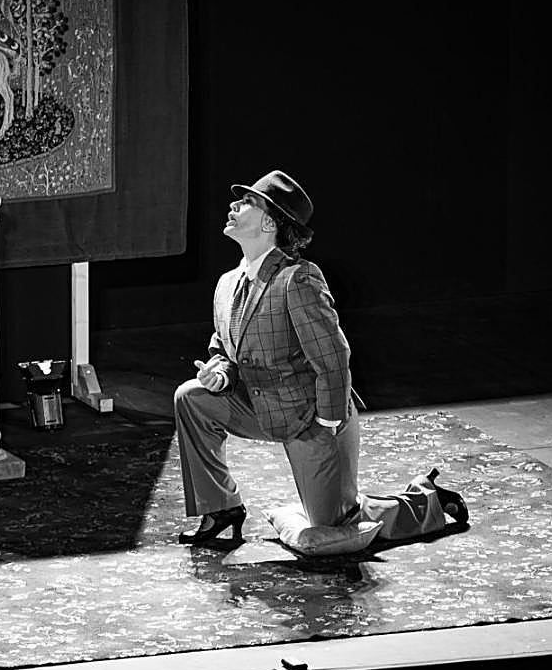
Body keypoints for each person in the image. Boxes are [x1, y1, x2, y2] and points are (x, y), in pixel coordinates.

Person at [174, 170, 467, 546]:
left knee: (336, 524)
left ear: (269, 223)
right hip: (263, 408)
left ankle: (427, 500)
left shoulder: (298, 279)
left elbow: (333, 359)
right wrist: (220, 372)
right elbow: (224, 349)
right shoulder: (227, 283)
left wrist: (328, 424)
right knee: (191, 397)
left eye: (247, 201)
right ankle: (220, 508)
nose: (233, 205)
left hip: (310, 418)